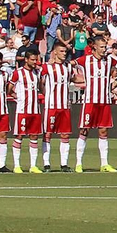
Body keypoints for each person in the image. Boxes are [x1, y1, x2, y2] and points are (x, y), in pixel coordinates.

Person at [74, 36, 117, 173]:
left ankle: (104, 163)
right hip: (90, 101)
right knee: (84, 130)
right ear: (95, 47)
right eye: (102, 47)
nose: (104, 50)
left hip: (104, 101)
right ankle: (78, 163)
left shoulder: (109, 60)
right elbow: (71, 63)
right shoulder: (85, 59)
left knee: (103, 131)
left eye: (105, 47)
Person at [41, 43, 74, 172]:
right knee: (48, 134)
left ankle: (64, 164)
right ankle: (46, 163)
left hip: (64, 106)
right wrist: (46, 94)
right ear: (55, 52)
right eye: (61, 51)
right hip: (51, 106)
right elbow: (40, 82)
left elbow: (73, 79)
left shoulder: (68, 67)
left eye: (65, 51)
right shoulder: (47, 68)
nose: (64, 53)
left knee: (65, 135)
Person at [11, 49, 44, 174]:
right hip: (22, 110)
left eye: (36, 60)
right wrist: (16, 96)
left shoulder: (37, 72)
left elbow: (40, 87)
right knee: (19, 136)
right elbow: (9, 88)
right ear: (26, 60)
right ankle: (17, 165)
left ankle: (33, 166)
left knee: (34, 136)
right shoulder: (18, 73)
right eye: (32, 60)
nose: (35, 62)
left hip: (35, 109)